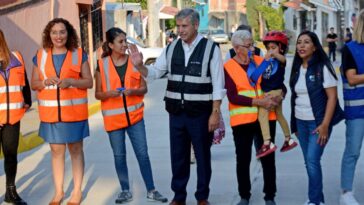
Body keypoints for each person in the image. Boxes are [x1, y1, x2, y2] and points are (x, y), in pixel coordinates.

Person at [129, 8, 225, 205]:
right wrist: (140, 66)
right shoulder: (171, 48)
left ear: (196, 25)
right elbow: (155, 73)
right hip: (176, 114)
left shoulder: (210, 49)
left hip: (201, 114)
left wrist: (215, 113)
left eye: (184, 26)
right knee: (178, 157)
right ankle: (179, 196)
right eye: (178, 26)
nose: (180, 30)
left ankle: (202, 197)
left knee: (202, 157)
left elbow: (218, 84)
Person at [94, 27, 168, 204]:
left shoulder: (134, 62)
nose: (124, 45)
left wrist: (133, 91)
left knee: (143, 154)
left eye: (125, 41)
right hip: (113, 120)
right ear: (110, 45)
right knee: (119, 156)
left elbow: (144, 88)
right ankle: (125, 190)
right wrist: (109, 94)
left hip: (135, 118)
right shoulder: (101, 65)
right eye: (120, 42)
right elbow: (97, 93)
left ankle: (151, 190)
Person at [30, 18, 93, 205]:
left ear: (69, 33)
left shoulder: (79, 54)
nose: (59, 36)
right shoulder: (40, 55)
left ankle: (77, 192)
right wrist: (44, 82)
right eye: (55, 32)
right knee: (56, 152)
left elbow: (89, 81)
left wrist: (71, 81)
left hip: (74, 113)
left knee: (75, 150)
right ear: (49, 35)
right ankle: (58, 192)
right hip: (51, 115)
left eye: (62, 32)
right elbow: (34, 83)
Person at [224, 30, 278, 205]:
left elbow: (276, 83)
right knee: (243, 159)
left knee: (268, 158)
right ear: (236, 48)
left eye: (253, 44)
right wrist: (258, 102)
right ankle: (244, 196)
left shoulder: (261, 62)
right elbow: (233, 96)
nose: (252, 49)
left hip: (266, 118)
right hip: (242, 121)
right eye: (248, 46)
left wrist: (278, 95)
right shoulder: (228, 67)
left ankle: (270, 196)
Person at [290, 31, 344, 205]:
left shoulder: (323, 68)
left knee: (312, 160)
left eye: (306, 42)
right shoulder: (297, 68)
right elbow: (294, 97)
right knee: (309, 162)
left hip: (318, 123)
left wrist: (325, 125)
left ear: (314, 47)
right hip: (300, 122)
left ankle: (314, 201)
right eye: (299, 42)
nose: (302, 46)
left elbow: (332, 98)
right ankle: (318, 197)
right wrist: (294, 126)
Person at [0, 29, 31, 205]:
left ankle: (10, 192)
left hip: (13, 117)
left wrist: (27, 101)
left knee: (11, 155)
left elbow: (24, 82)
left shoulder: (16, 57)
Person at [254, 31, 297, 158]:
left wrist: (275, 54)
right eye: (268, 48)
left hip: (275, 91)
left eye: (274, 47)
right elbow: (257, 75)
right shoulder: (267, 60)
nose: (270, 50)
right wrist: (264, 60)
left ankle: (267, 142)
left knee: (262, 113)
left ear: (281, 47)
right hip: (268, 91)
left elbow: (283, 58)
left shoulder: (281, 60)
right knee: (279, 115)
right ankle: (288, 139)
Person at [340, 9, 364, 205]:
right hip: (357, 111)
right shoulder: (350, 48)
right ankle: (346, 192)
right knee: (353, 151)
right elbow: (352, 78)